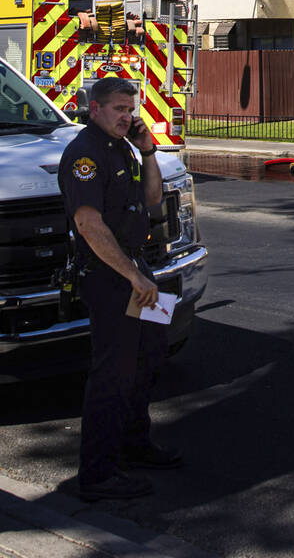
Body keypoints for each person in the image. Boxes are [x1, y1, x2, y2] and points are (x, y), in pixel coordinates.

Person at [59, 77, 181, 502]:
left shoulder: (123, 148)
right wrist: (133, 276)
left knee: (152, 350)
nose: (127, 117)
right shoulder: (84, 155)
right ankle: (97, 473)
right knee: (113, 372)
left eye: (131, 110)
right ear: (95, 109)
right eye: (118, 110)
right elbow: (88, 224)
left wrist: (148, 149)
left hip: (135, 266)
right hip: (110, 275)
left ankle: (134, 443)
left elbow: (151, 198)